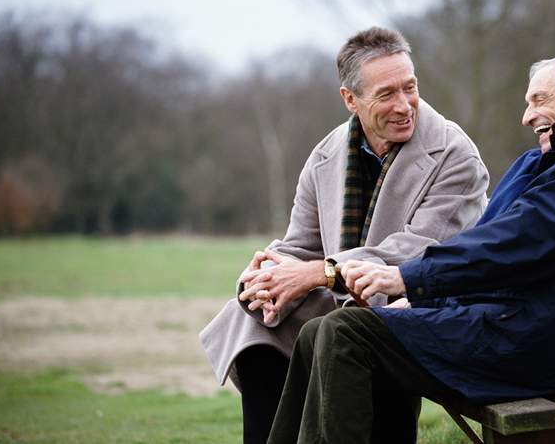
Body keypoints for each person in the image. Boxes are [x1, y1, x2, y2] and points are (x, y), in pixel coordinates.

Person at [266, 50, 555, 444]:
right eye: (527, 102)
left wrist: (406, 278)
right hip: (500, 323)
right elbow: (486, 244)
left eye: (539, 100)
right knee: (321, 331)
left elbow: (510, 246)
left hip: (537, 345)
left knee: (346, 333)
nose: (527, 116)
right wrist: (424, 301)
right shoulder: (545, 162)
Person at [199, 27, 489, 444]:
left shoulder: (456, 155)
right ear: (350, 100)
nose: (405, 105)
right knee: (252, 323)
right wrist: (262, 279)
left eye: (411, 88)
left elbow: (422, 253)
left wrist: (321, 272)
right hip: (345, 304)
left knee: (352, 332)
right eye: (386, 94)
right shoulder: (325, 155)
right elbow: (300, 245)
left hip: (420, 307)